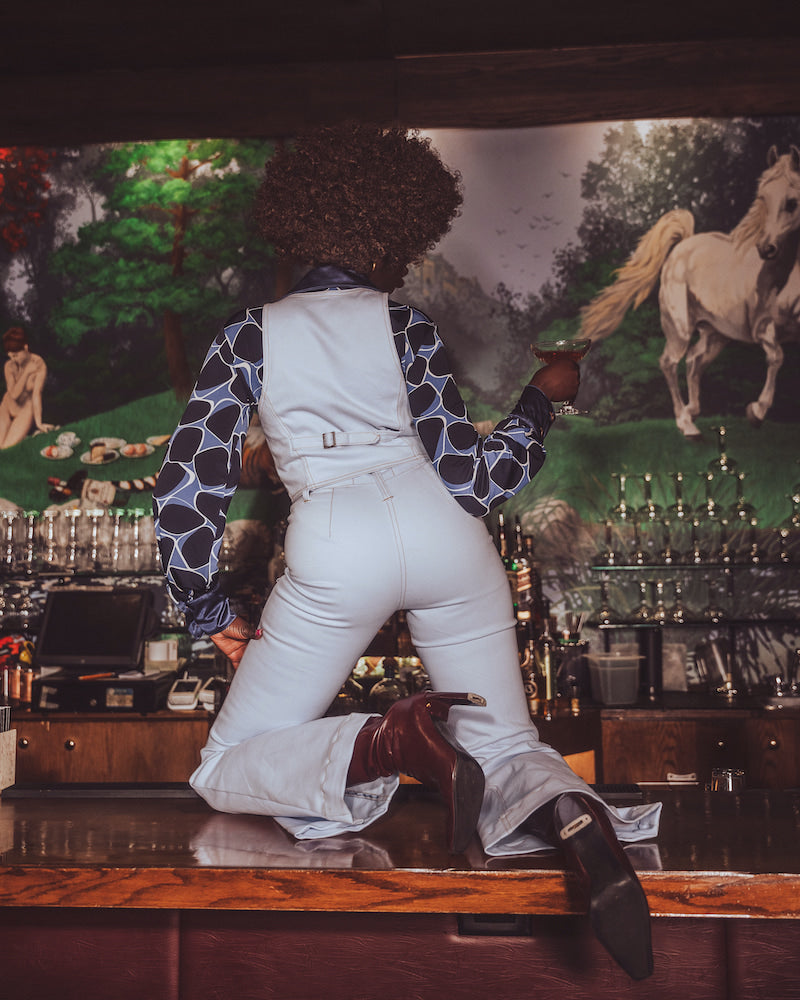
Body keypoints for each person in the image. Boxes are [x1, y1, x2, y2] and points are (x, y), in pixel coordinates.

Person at [153, 123, 660, 980]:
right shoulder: (405, 324)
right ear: (396, 228)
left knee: (228, 764)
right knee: (505, 743)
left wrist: (212, 614)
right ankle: (576, 817)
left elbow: (184, 494)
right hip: (446, 536)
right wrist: (542, 397)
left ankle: (392, 746)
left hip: (332, 545)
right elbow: (474, 480)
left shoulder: (248, 336)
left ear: (297, 224)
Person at [0, 327, 52, 448]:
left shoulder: (39, 364)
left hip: (26, 409)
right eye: (10, 356)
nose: (13, 359)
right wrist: (27, 372)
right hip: (7, 406)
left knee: (5, 449)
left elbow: (36, 394)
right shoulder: (9, 365)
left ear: (25, 347)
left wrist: (39, 423)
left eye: (16, 355)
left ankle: (31, 435)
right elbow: (13, 394)